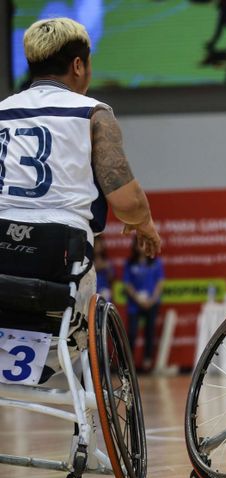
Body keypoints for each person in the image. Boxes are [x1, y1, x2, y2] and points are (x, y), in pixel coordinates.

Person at [0, 18, 161, 382]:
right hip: (58, 258)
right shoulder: (92, 112)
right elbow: (127, 201)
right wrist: (145, 227)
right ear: (78, 65)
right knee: (79, 322)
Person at [123, 236, 165, 372]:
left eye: (145, 244)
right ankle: (129, 364)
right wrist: (137, 298)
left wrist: (152, 299)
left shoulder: (156, 262)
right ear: (135, 246)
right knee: (132, 333)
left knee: (149, 333)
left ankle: (147, 362)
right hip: (135, 304)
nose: (142, 247)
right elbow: (127, 284)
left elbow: (160, 282)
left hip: (151, 303)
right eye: (139, 244)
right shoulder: (129, 263)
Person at [94, 235, 115, 301]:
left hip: (105, 292)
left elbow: (111, 278)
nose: (97, 246)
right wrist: (101, 266)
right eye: (96, 244)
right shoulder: (88, 261)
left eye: (99, 244)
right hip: (92, 292)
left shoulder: (107, 261)